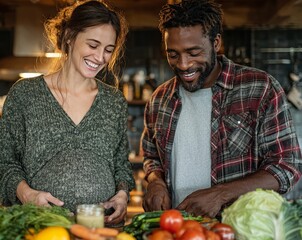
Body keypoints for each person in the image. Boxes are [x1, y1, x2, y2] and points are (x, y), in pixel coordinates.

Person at [141, 0, 302, 218]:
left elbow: (287, 166)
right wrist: (155, 181)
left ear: (216, 43)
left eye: (194, 52)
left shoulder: (260, 88)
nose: (183, 64)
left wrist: (220, 194)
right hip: (179, 230)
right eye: (173, 54)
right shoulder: (159, 99)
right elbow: (152, 156)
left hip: (239, 230)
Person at [0, 0, 135, 226]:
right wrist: (27, 195)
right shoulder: (25, 95)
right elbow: (4, 162)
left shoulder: (114, 101)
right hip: (41, 228)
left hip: (100, 229)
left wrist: (122, 195)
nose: (100, 57)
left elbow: (121, 165)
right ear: (70, 37)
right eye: (93, 45)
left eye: (108, 50)